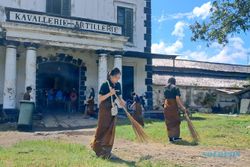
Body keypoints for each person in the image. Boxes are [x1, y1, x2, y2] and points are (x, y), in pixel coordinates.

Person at [91, 67, 126, 159]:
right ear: (111, 76)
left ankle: (106, 151)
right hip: (104, 109)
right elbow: (100, 98)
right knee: (102, 128)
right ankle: (98, 149)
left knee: (110, 129)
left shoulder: (118, 85)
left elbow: (118, 97)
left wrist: (122, 101)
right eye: (116, 77)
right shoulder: (105, 85)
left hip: (113, 108)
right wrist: (109, 94)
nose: (117, 79)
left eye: (119, 78)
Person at [163, 77, 188, 143]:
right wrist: (182, 107)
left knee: (168, 122)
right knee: (176, 121)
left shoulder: (165, 88)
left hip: (166, 107)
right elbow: (177, 99)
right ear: (174, 82)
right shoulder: (176, 88)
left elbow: (165, 99)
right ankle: (175, 137)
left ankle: (170, 138)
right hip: (173, 107)